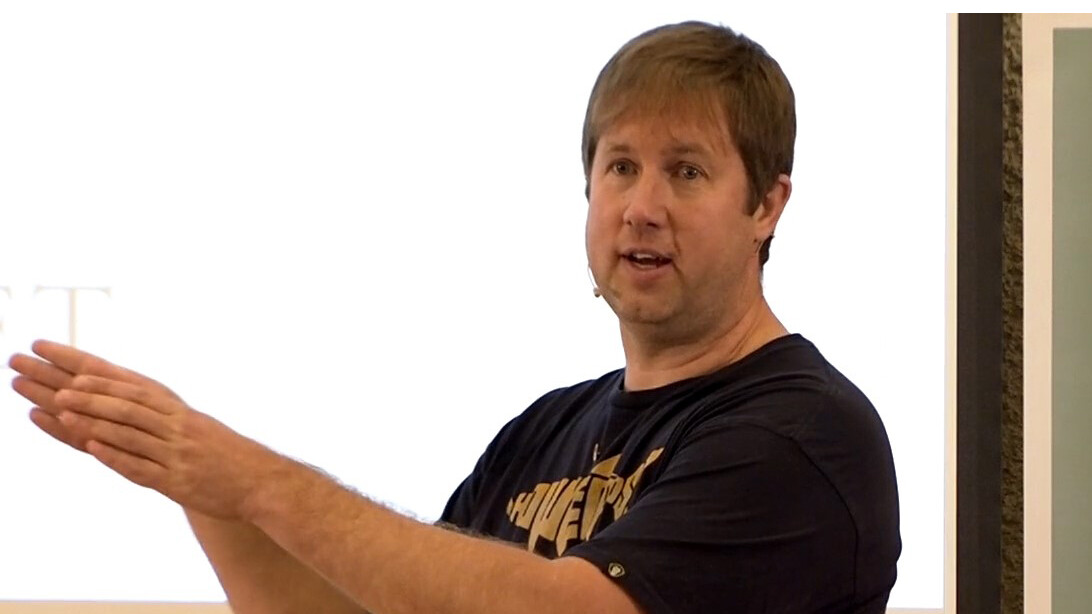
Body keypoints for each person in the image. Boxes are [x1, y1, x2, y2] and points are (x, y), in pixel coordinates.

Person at [8, 20, 900, 614]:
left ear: (766, 206)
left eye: (687, 172)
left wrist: (259, 482)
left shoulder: (803, 436)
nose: (641, 208)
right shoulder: (545, 429)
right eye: (621, 167)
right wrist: (198, 483)